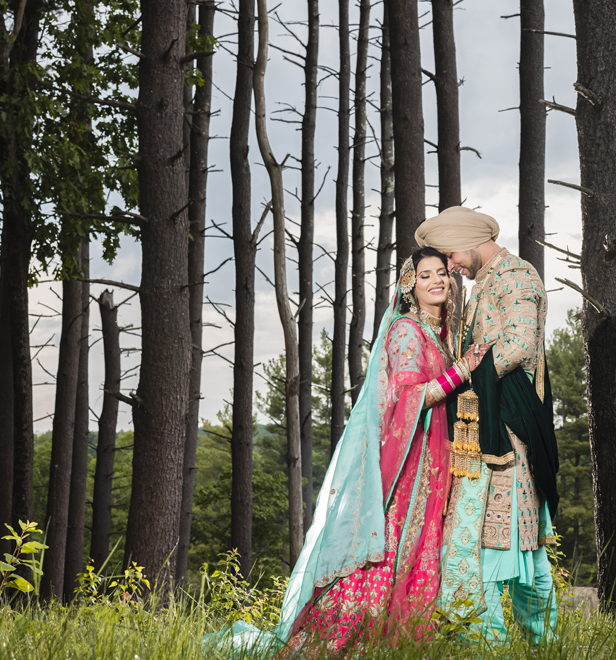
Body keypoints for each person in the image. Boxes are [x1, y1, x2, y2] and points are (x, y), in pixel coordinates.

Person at [208, 247, 486, 656]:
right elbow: (409, 397)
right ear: (409, 286)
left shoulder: (439, 335)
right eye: (425, 275)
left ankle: (406, 640)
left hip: (431, 460)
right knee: (390, 546)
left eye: (442, 272)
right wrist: (463, 369)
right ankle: (354, 638)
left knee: (422, 549)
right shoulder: (406, 330)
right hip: (406, 465)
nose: (437, 280)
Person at [415, 206, 560, 643]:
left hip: (511, 428)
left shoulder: (516, 275)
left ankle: (510, 642)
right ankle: (523, 641)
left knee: (512, 543)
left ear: (472, 241)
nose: (452, 267)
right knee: (514, 543)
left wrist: (461, 376)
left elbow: (516, 344)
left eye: (453, 256)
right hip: (491, 427)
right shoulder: (487, 282)